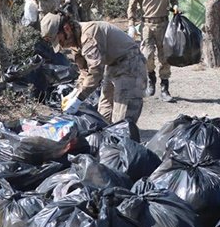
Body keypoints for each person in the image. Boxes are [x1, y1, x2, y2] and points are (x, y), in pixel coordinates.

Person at [40, 11, 148, 141]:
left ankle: (124, 148)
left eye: (60, 40)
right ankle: (109, 145)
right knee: (103, 114)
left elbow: (96, 71)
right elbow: (85, 71)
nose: (62, 45)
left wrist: (79, 98)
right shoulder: (74, 40)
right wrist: (74, 93)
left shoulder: (88, 35)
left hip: (130, 64)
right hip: (112, 65)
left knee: (122, 121)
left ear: (66, 29)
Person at [127, 0, 178, 102]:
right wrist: (131, 24)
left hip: (163, 24)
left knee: (165, 57)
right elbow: (132, 4)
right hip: (147, 26)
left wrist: (175, 6)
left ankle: (165, 88)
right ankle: (151, 79)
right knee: (147, 56)